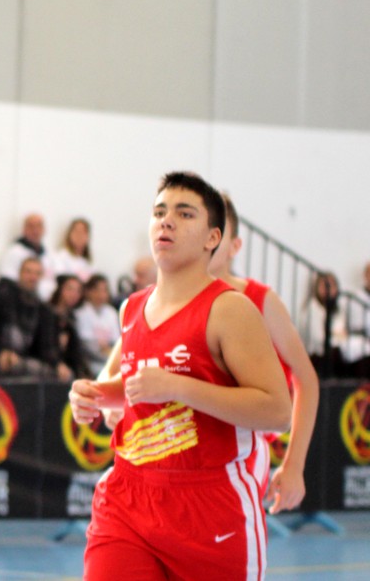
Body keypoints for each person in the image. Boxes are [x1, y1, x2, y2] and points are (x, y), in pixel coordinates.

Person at [69, 172, 290, 581]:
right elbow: (140, 389)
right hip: (129, 495)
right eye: (159, 212)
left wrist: (178, 386)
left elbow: (277, 410)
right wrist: (96, 395)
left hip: (209, 505)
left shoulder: (230, 309)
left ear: (213, 238)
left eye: (184, 213)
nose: (166, 221)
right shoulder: (131, 308)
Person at [210, 192, 319, 513]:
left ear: (234, 246)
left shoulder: (259, 300)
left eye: (218, 231)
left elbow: (306, 378)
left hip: (238, 456)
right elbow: (117, 368)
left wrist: (295, 465)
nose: (207, 240)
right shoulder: (163, 299)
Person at [0, 257, 61, 378]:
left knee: (58, 374)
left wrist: (57, 364)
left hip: (26, 359)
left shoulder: (43, 309)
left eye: (37, 273)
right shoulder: (3, 297)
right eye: (28, 272)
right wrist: (0, 351)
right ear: (20, 274)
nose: (32, 277)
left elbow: (46, 344)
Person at [0, 212, 53, 299]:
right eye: (31, 226)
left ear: (44, 229)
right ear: (24, 229)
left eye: (39, 226)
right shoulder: (14, 252)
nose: (35, 230)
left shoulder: (47, 255)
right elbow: (7, 283)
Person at [75, 274, 120, 377]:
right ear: (88, 292)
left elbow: (116, 342)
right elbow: (86, 344)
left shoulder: (111, 312)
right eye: (96, 290)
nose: (100, 295)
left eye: (104, 290)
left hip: (109, 358)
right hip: (91, 361)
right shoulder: (81, 313)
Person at [47, 217, 95, 283]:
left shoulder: (88, 263)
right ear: (69, 234)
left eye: (83, 232)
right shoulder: (59, 258)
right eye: (76, 231)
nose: (79, 235)